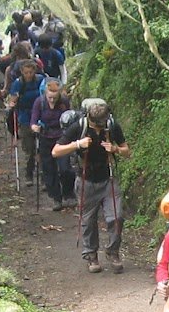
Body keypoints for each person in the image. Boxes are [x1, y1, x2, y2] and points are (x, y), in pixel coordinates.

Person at [54, 98, 129, 273]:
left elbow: (127, 151)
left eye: (101, 125)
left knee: (116, 217)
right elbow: (56, 151)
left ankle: (113, 251)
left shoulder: (112, 126)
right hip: (86, 180)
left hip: (108, 178)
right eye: (96, 125)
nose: (98, 129)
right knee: (88, 220)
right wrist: (77, 144)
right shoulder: (79, 126)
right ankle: (91, 255)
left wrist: (116, 149)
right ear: (89, 118)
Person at [31, 76, 74, 210]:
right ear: (45, 93)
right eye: (50, 97)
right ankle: (56, 198)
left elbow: (70, 118)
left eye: (54, 97)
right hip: (45, 137)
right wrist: (35, 127)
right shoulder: (39, 102)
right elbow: (33, 121)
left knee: (65, 168)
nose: (52, 100)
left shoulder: (64, 102)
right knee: (49, 170)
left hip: (61, 138)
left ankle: (68, 193)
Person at [5, 59, 47, 185]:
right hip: (25, 117)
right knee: (30, 149)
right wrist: (13, 103)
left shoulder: (41, 80)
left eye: (31, 72)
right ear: (22, 72)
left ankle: (44, 177)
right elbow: (12, 99)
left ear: (34, 71)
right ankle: (29, 173)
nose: (28, 75)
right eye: (26, 72)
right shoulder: (18, 84)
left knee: (43, 148)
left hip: (40, 116)